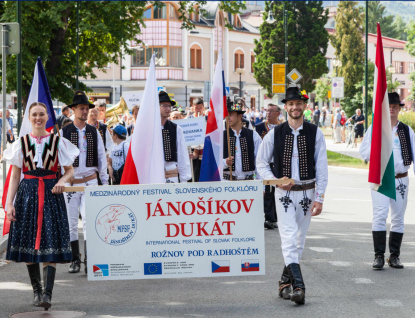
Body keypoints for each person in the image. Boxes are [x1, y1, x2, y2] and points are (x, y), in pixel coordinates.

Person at [4, 102, 79, 309]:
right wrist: (9, 203)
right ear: (29, 118)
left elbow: (69, 171)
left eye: (42, 115)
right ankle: (37, 291)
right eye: (34, 115)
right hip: (27, 194)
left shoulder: (57, 142)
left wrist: (62, 182)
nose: (38, 118)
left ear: (48, 117)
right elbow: (15, 175)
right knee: (29, 242)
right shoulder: (21, 143)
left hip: (50, 193)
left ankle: (47, 294)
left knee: (49, 242)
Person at [256, 86, 328, 305]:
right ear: (285, 107)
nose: (295, 107)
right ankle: (299, 287)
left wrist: (320, 198)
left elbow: (322, 168)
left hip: (307, 192)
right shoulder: (275, 133)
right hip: (284, 194)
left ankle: (284, 282)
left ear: (304, 106)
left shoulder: (315, 132)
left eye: (299, 103)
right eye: (291, 104)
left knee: (298, 242)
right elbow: (261, 163)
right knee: (288, 237)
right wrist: (276, 180)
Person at [360, 92, 415, 270]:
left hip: (400, 178)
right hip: (381, 178)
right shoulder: (375, 128)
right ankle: (378, 256)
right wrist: (377, 149)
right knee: (380, 215)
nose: (391, 109)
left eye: (395, 107)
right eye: (388, 107)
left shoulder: (406, 130)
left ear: (399, 109)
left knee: (398, 216)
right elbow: (364, 152)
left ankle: (395, 255)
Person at [61, 90, 109, 274]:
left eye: (86, 108)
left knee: (91, 221)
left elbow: (101, 158)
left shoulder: (94, 132)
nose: (84, 111)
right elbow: (59, 160)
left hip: (90, 182)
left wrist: (104, 183)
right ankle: (75, 259)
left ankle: (90, 259)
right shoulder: (63, 132)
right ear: (73, 110)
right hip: (71, 183)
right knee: (71, 222)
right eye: (81, 108)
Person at [255, 104, 283, 230]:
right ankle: (269, 218)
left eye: (272, 111)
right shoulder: (259, 127)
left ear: (278, 113)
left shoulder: (283, 127)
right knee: (267, 191)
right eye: (267, 111)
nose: (268, 113)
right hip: (266, 164)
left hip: (279, 163)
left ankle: (277, 217)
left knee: (279, 189)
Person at [223, 98, 262, 181]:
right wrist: (225, 163)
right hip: (227, 182)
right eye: (226, 115)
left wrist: (260, 185)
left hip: (248, 183)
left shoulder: (253, 135)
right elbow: (213, 162)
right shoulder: (221, 136)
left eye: (231, 114)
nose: (227, 117)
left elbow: (260, 161)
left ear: (240, 116)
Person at [159, 91, 191, 183]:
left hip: (171, 175)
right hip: (154, 176)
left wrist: (184, 179)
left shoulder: (176, 129)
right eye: (164, 105)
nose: (168, 108)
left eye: (169, 106)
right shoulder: (149, 129)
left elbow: (182, 155)